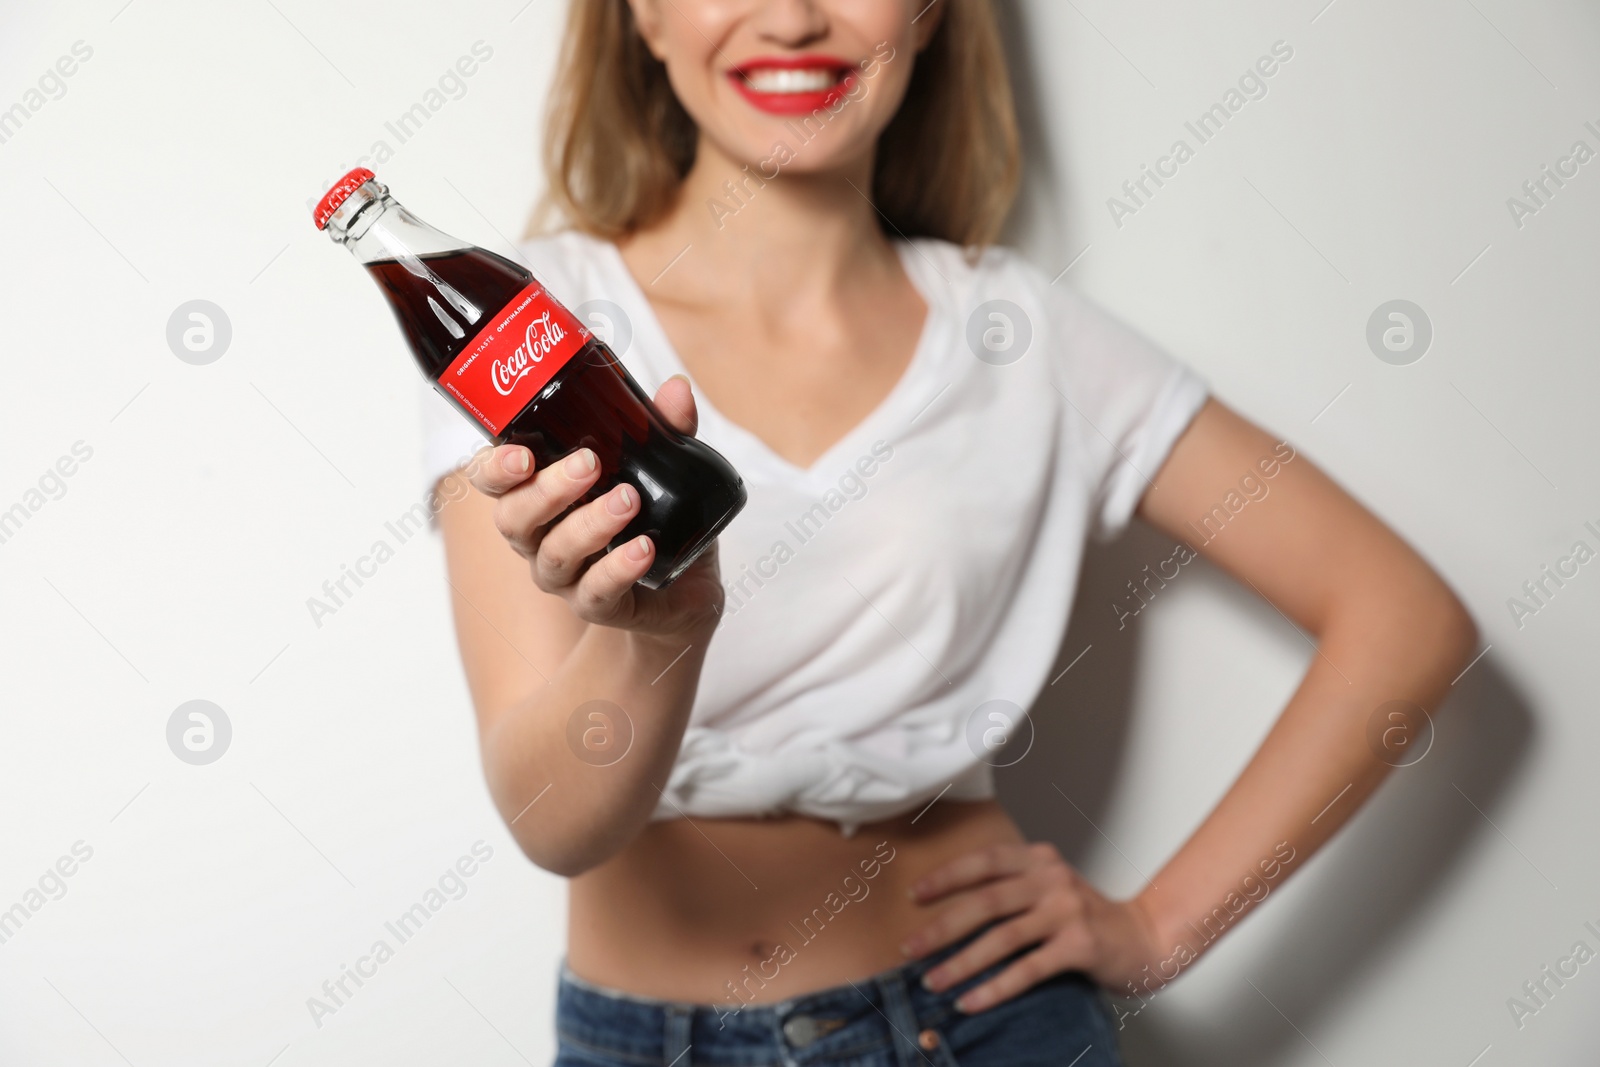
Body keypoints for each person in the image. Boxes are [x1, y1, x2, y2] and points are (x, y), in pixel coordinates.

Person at [420, 1, 1478, 1063]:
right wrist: (659, 639)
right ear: (642, 16)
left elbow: (1401, 616)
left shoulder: (1026, 336)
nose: (790, 18)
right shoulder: (528, 333)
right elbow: (550, 823)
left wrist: (1156, 927)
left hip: (995, 1029)